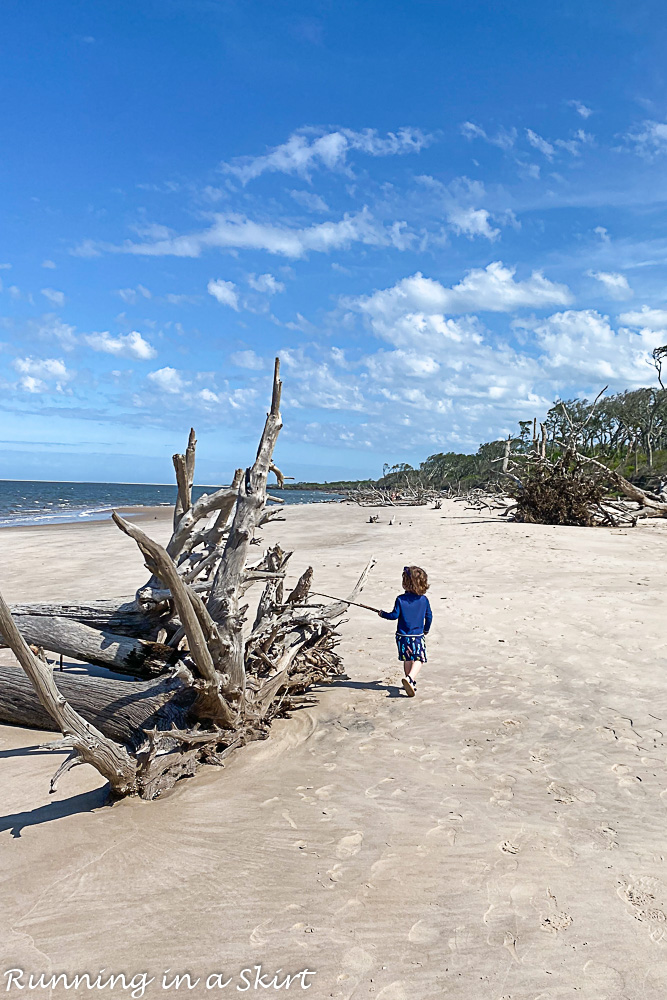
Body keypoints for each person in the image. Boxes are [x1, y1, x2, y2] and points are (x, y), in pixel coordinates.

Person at [378, 565, 432, 697]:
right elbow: (429, 617)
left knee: (407, 659)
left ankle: (409, 682)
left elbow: (394, 616)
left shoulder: (400, 599)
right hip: (417, 635)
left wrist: (382, 614)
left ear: (406, 583)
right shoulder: (423, 600)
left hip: (402, 636)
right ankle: (410, 679)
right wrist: (426, 629)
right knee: (419, 659)